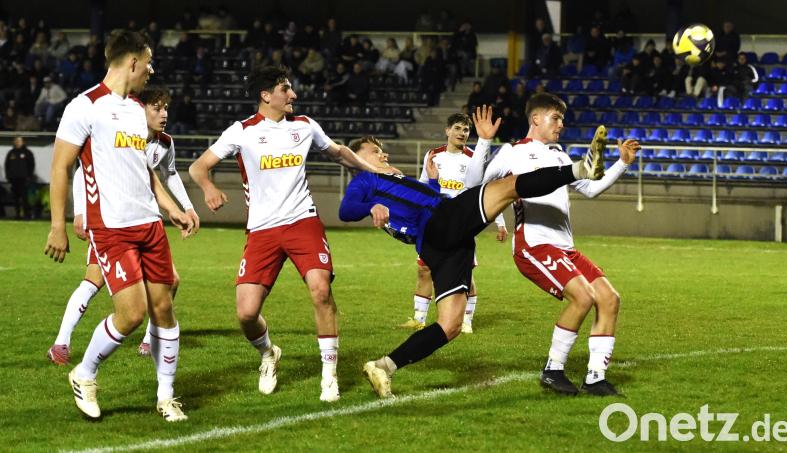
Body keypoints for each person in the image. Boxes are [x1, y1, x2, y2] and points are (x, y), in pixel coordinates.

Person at [340, 105, 608, 398]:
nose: (383, 154)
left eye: (382, 151)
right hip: (442, 222)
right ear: (356, 160)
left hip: (442, 244)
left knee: (450, 325)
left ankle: (384, 366)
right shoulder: (365, 181)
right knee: (508, 186)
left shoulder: (394, 177)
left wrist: (430, 182)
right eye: (374, 152)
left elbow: (414, 207)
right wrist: (370, 206)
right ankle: (581, 168)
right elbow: (345, 210)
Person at [188, 65, 390, 403]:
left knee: (321, 291)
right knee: (246, 313)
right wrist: (208, 187)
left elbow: (339, 152)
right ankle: (269, 354)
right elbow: (198, 167)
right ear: (267, 95)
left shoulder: (305, 126)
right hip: (262, 231)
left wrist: (376, 171)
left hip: (302, 222)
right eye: (286, 89)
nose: (293, 94)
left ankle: (329, 376)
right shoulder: (242, 131)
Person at [44, 30, 193, 422]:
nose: (151, 69)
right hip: (111, 229)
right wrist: (58, 225)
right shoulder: (84, 106)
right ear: (132, 62)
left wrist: (171, 209)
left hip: (150, 226)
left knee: (164, 309)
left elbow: (144, 170)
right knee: (131, 315)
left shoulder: (135, 110)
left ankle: (166, 396)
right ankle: (85, 373)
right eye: (148, 62)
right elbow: (60, 167)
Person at [482, 93, 640, 396]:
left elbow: (591, 190)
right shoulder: (511, 153)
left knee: (609, 298)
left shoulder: (560, 156)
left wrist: (621, 163)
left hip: (565, 247)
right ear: (535, 119)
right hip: (534, 245)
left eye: (562, 119)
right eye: (555, 117)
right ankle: (553, 369)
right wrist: (483, 147)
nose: (561, 124)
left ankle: (595, 377)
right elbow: (480, 185)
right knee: (583, 297)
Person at [47, 86, 200, 366]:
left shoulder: (164, 142)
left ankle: (150, 338)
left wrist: (186, 207)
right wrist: (80, 212)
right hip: (109, 221)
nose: (164, 114)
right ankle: (61, 343)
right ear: (141, 110)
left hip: (144, 222)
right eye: (157, 108)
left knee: (172, 281)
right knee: (93, 280)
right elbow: (82, 170)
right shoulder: (118, 131)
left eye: (166, 108)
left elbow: (171, 173)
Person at [399, 113, 507, 334]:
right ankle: (419, 319)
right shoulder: (433, 155)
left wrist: (500, 222)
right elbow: (422, 184)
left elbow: (486, 191)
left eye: (466, 130)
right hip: (433, 221)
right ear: (447, 131)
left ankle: (466, 320)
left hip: (461, 222)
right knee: (424, 269)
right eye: (458, 128)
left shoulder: (473, 159)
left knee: (465, 272)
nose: (462, 133)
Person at [4, 136, 35, 219]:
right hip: (14, 179)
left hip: (24, 179)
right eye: (16, 141)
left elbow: (31, 165)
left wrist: (29, 176)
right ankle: (17, 215)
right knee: (15, 198)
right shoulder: (11, 153)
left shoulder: (27, 152)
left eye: (19, 141)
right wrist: (8, 177)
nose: (17, 142)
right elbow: (7, 165)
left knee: (25, 198)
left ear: (23, 142)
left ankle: (27, 215)